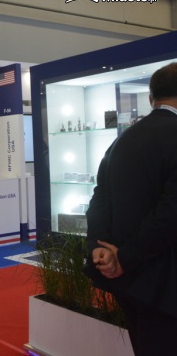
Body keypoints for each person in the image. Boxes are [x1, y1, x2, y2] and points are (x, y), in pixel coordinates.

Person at [85, 62, 177, 355]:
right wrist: (125, 258)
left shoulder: (121, 139)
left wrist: (98, 248)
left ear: (151, 99)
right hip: (165, 282)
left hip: (128, 281)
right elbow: (170, 214)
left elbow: (99, 198)